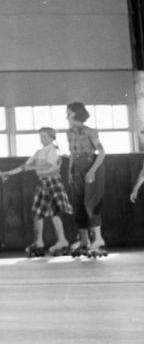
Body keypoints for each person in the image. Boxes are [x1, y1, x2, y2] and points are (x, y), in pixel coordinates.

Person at [0, 127, 71, 256]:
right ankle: (39, 241)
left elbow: (49, 166)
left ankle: (61, 240)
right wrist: (9, 173)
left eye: (44, 136)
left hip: (52, 182)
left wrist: (32, 167)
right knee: (39, 213)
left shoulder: (53, 150)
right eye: (41, 136)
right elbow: (25, 166)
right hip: (42, 183)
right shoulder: (38, 152)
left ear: (51, 137)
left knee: (54, 213)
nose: (42, 139)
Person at [65, 101, 107, 256]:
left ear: (75, 113)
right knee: (78, 205)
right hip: (77, 170)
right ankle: (84, 239)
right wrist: (70, 172)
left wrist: (92, 171)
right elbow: (72, 154)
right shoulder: (69, 133)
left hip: (91, 168)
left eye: (68, 112)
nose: (67, 115)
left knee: (91, 203)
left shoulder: (91, 131)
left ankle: (98, 238)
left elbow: (102, 153)